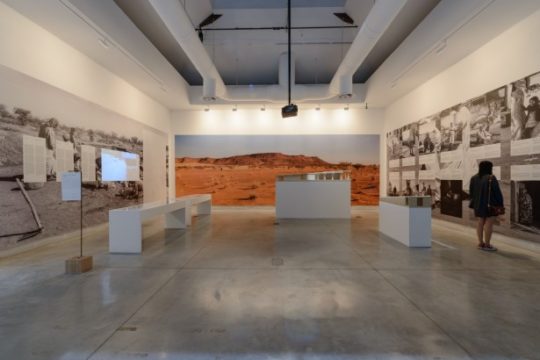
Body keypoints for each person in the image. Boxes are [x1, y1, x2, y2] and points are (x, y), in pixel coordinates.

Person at [469, 161, 504, 251]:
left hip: (478, 205)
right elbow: (497, 193)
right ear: (489, 168)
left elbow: (471, 193)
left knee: (480, 223)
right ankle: (487, 245)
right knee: (489, 224)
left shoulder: (473, 178)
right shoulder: (491, 178)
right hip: (490, 205)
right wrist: (501, 205)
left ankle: (481, 243)